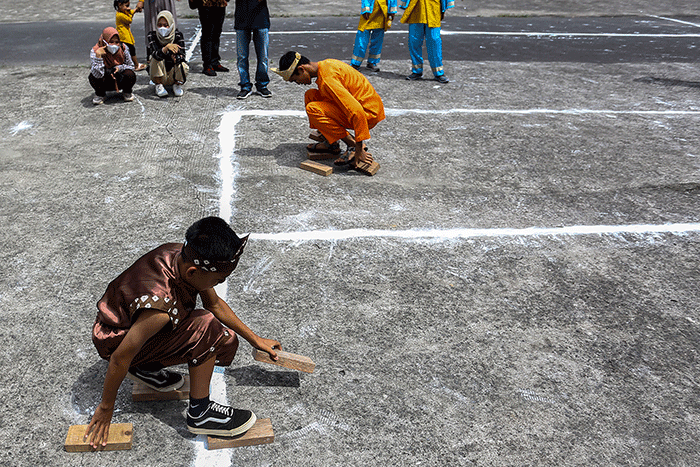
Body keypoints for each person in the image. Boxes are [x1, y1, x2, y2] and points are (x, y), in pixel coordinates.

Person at [83, 216, 282, 448]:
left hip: (126, 327)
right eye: (219, 279)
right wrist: (106, 407)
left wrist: (256, 340)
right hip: (119, 342)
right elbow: (120, 357)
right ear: (192, 273)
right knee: (210, 330)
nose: (219, 283)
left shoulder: (182, 254)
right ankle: (201, 412)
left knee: (224, 336)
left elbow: (215, 304)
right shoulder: (159, 309)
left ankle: (144, 369)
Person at [273, 51, 385, 175]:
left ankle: (351, 145)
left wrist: (359, 149)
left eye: (295, 80)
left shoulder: (327, 80)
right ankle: (331, 143)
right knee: (311, 95)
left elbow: (356, 111)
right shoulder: (325, 65)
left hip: (368, 114)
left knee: (313, 108)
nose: (298, 83)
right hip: (366, 107)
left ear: (302, 69)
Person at [399, 0, 453, 83]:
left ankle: (438, 72)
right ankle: (417, 71)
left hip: (433, 8)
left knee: (434, 41)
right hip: (416, 9)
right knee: (414, 41)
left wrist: (443, 9)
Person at [233, 0, 272, 99]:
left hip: (261, 18)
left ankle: (262, 85)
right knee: (242, 57)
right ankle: (245, 86)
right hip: (242, 19)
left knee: (263, 57)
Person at [89, 27, 137, 105]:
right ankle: (100, 94)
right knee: (92, 76)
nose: (114, 45)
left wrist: (120, 67)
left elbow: (131, 66)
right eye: (111, 42)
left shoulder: (123, 47)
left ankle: (127, 92)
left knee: (130, 74)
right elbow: (97, 74)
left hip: (119, 77)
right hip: (105, 79)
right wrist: (98, 57)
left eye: (116, 42)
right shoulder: (95, 51)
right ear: (105, 41)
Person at [147, 11, 189, 97]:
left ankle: (177, 84)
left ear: (171, 24)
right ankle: (159, 85)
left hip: (173, 73)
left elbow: (183, 56)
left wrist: (176, 57)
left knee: (183, 65)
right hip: (160, 74)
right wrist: (166, 48)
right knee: (154, 58)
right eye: (160, 25)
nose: (162, 28)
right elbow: (155, 54)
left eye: (166, 25)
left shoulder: (178, 35)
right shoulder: (152, 35)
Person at [350, 0, 397, 72]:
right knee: (362, 39)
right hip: (369, 10)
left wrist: (392, 11)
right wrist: (366, 8)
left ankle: (372, 62)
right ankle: (356, 63)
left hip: (382, 11)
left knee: (377, 40)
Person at [198, 0, 229, 76]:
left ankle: (214, 61)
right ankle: (207, 64)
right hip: (206, 4)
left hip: (220, 3)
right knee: (207, 33)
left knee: (217, 33)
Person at [115, 0, 147, 72]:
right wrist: (131, 11)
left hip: (126, 35)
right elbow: (129, 20)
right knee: (131, 49)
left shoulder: (123, 12)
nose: (128, 8)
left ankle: (129, 64)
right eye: (126, 6)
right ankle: (136, 65)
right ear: (120, 5)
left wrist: (135, 10)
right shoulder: (119, 15)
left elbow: (131, 12)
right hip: (124, 36)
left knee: (128, 50)